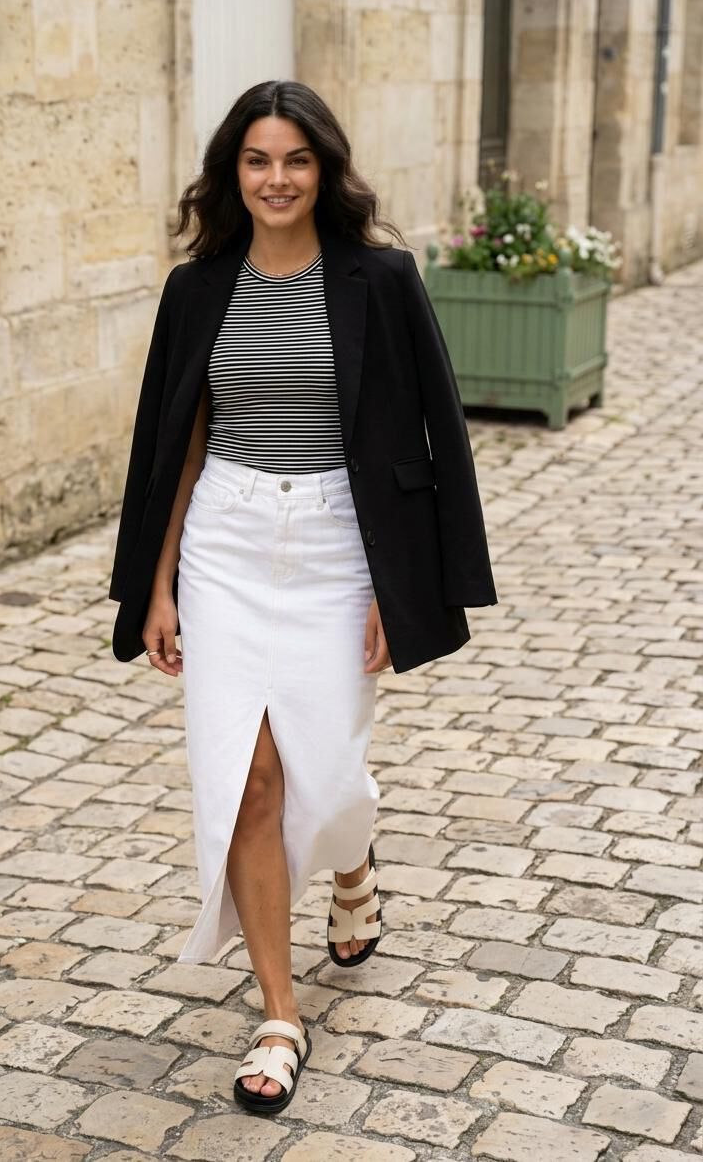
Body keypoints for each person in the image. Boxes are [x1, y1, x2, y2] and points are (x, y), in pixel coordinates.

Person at [108, 80, 497, 1115]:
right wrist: (157, 582)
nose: (275, 179)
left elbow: (435, 431)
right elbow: (174, 442)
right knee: (252, 776)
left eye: (294, 159)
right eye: (256, 160)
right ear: (231, 173)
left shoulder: (380, 278)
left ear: (324, 169)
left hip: (337, 542)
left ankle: (352, 867)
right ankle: (279, 1013)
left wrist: (401, 583)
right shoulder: (197, 288)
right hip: (226, 542)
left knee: (324, 771)